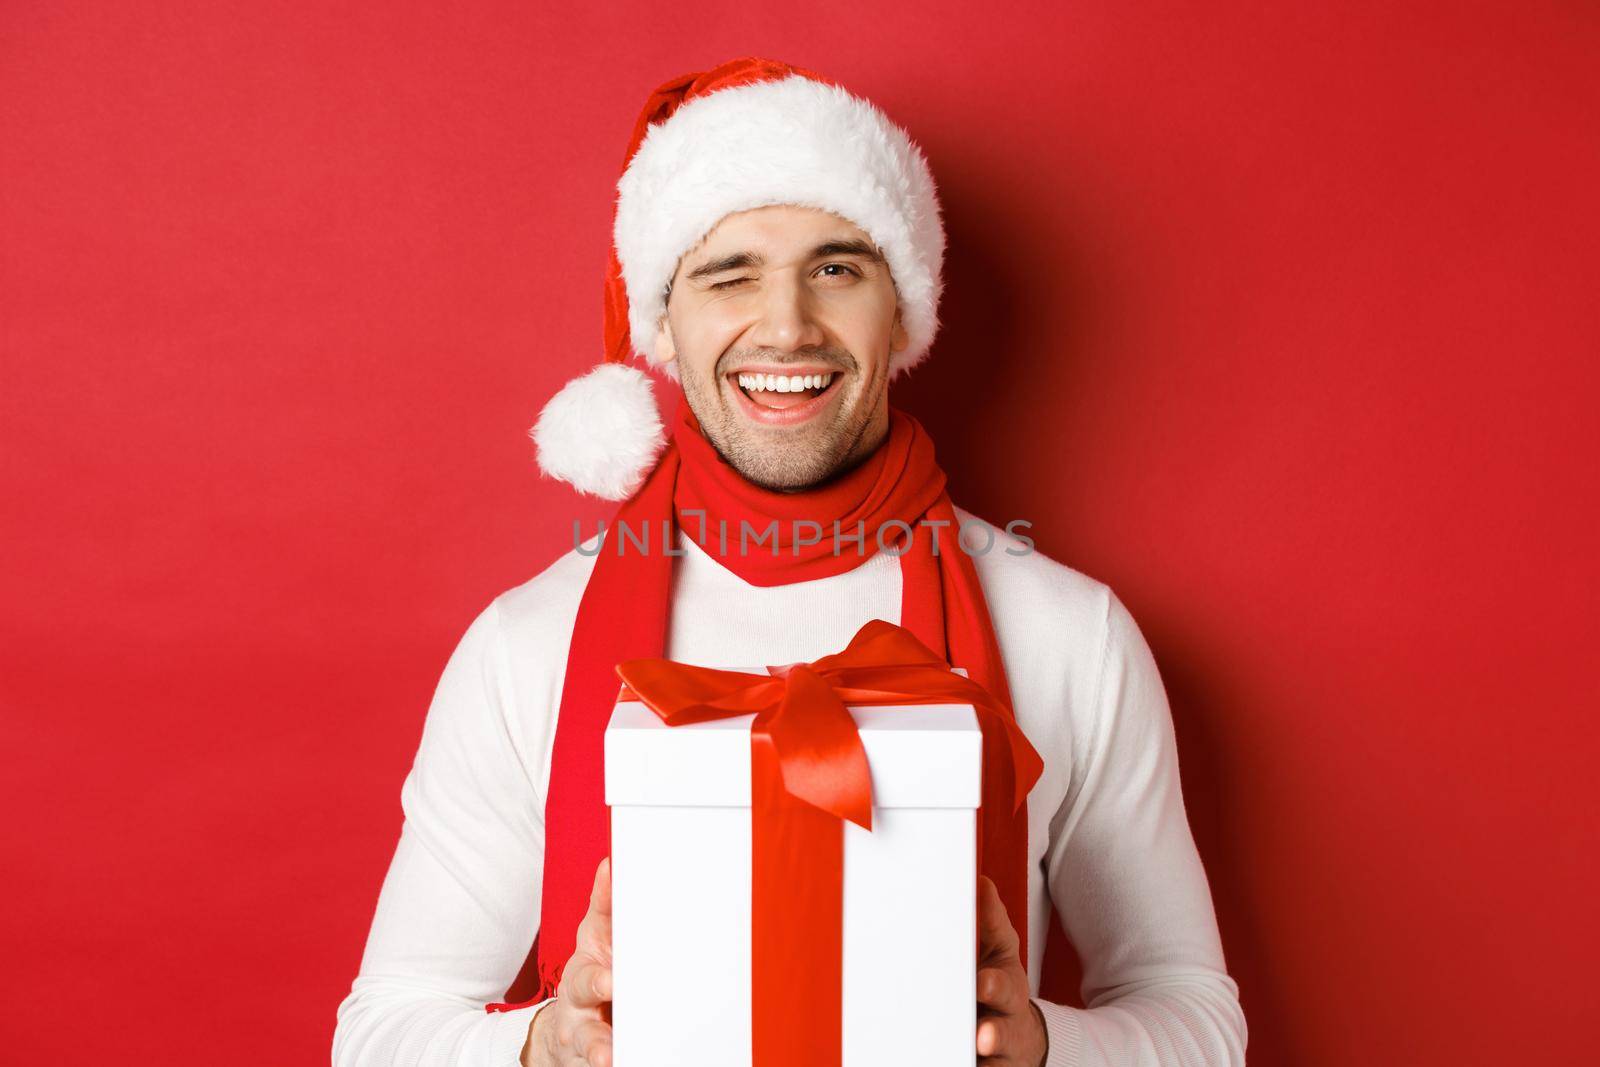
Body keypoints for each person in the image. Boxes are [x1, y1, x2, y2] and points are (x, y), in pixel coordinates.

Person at [332, 57, 1247, 1067]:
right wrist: (545, 1046)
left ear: (903, 312)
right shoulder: (527, 645)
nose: (785, 326)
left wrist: (1039, 1046)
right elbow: (381, 1032)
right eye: (728, 275)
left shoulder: (1068, 632)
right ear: (662, 327)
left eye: (838, 267)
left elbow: (1195, 1019)